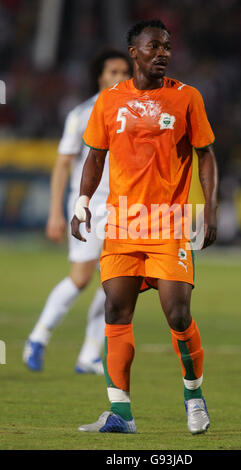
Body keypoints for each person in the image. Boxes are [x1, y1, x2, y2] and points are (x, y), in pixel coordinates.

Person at [71, 19, 218, 434]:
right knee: (116, 311)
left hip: (168, 225)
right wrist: (83, 204)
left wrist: (210, 208)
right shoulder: (108, 101)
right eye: (154, 46)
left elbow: (205, 154)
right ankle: (120, 413)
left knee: (178, 312)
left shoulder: (187, 97)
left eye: (167, 46)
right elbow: (95, 157)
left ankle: (194, 396)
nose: (163, 53)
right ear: (133, 52)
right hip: (121, 226)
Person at [23, 50, 132, 374]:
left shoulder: (135, 112)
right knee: (81, 278)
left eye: (125, 71)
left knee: (115, 282)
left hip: (123, 207)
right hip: (89, 205)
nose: (120, 77)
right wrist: (56, 213)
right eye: (113, 71)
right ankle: (39, 335)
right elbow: (62, 164)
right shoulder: (82, 113)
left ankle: (89, 354)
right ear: (100, 76)